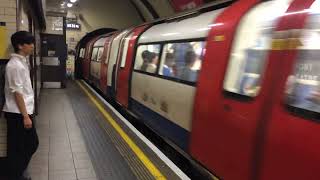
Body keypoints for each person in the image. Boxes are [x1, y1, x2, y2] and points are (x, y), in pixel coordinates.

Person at [2, 31, 39, 180]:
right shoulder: (15, 66)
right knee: (28, 145)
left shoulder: (21, 62)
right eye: (29, 43)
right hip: (18, 114)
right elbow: (17, 92)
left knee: (21, 146)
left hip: (20, 112)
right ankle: (16, 174)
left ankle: (17, 173)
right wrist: (26, 117)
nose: (32, 46)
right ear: (19, 46)